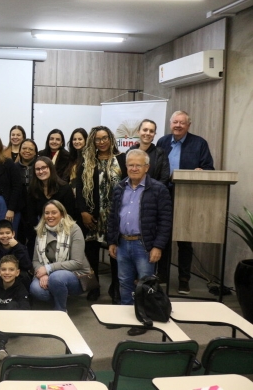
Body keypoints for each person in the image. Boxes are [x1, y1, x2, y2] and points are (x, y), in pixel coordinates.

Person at [107, 149, 172, 336]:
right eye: (130, 165)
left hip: (144, 245)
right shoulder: (119, 187)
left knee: (145, 284)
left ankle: (144, 319)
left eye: (138, 165)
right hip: (122, 243)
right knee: (124, 282)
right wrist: (112, 241)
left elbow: (165, 221)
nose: (134, 168)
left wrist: (158, 246)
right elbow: (113, 217)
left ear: (147, 167)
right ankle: (125, 316)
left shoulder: (159, 189)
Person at [157, 110, 214, 294]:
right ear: (170, 124)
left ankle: (184, 279)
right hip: (164, 195)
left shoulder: (199, 143)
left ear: (188, 125)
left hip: (187, 197)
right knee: (163, 237)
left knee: (184, 240)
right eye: (175, 122)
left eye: (182, 123)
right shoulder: (162, 142)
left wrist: (202, 171)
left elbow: (209, 168)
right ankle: (162, 276)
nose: (178, 125)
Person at [76, 126, 127, 303]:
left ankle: (116, 287)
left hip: (116, 215)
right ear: (93, 141)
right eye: (98, 139)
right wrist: (83, 211)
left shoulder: (122, 159)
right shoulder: (87, 161)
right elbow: (80, 189)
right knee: (91, 253)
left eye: (105, 138)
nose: (102, 142)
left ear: (111, 138)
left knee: (115, 252)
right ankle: (94, 287)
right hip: (92, 215)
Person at [30, 200, 92, 311]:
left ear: (62, 214)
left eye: (54, 212)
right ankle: (59, 295)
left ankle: (60, 310)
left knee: (56, 278)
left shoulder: (74, 229)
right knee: (35, 289)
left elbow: (77, 262)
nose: (50, 216)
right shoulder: (40, 231)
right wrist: (43, 274)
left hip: (76, 274)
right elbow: (35, 260)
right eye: (47, 213)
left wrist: (48, 268)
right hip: (49, 273)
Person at [0, 220, 32, 291]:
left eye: (8, 233)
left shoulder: (20, 247)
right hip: (1, 276)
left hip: (17, 276)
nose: (5, 236)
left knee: (25, 276)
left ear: (13, 234)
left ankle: (25, 296)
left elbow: (27, 265)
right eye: (1, 233)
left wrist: (17, 247)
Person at [28, 156, 77, 223]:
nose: (41, 171)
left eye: (44, 168)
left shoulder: (65, 188)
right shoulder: (33, 189)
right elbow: (31, 215)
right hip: (41, 226)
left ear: (51, 168)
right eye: (37, 169)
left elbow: (70, 214)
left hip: (63, 225)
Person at [128, 119, 170, 185]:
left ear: (154, 134)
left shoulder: (161, 154)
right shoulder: (129, 153)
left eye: (151, 131)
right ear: (138, 132)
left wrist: (153, 190)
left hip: (155, 190)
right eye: (145, 130)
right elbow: (125, 176)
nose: (148, 133)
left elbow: (164, 178)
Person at [16, 139, 38, 248]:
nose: (27, 151)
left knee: (35, 239)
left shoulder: (40, 166)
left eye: (30, 149)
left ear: (35, 152)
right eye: (24, 148)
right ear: (19, 150)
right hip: (19, 209)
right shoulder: (14, 167)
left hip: (36, 208)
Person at [65, 128, 88, 194]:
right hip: (71, 194)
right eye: (74, 139)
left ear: (86, 140)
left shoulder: (89, 157)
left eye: (80, 139)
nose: (77, 142)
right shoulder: (71, 157)